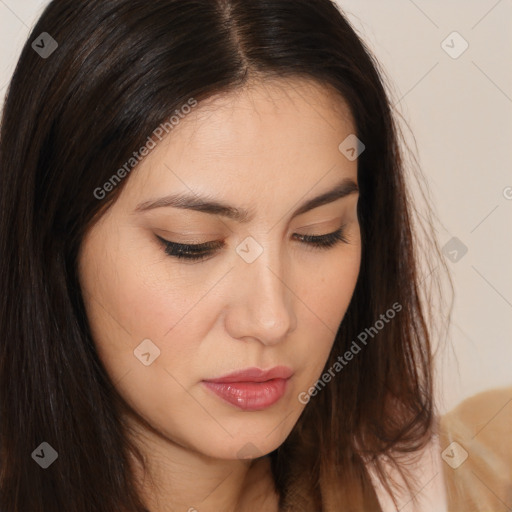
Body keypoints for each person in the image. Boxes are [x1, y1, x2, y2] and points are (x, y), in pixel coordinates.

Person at [0, 1, 510, 511]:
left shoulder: (471, 483)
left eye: (319, 234)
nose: (272, 320)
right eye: (191, 244)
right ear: (57, 242)